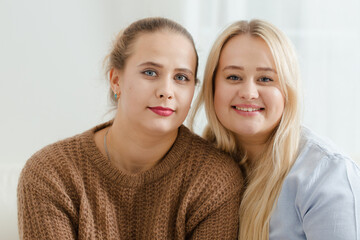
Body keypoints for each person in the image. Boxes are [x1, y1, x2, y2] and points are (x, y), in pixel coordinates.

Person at [17, 17, 243, 240]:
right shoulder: (51, 173)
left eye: (181, 77)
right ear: (116, 80)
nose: (166, 91)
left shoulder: (214, 179)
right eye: (150, 72)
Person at [190, 19, 360, 239]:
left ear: (288, 90)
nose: (249, 92)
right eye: (233, 77)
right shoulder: (195, 168)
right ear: (212, 87)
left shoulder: (326, 174)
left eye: (265, 79)